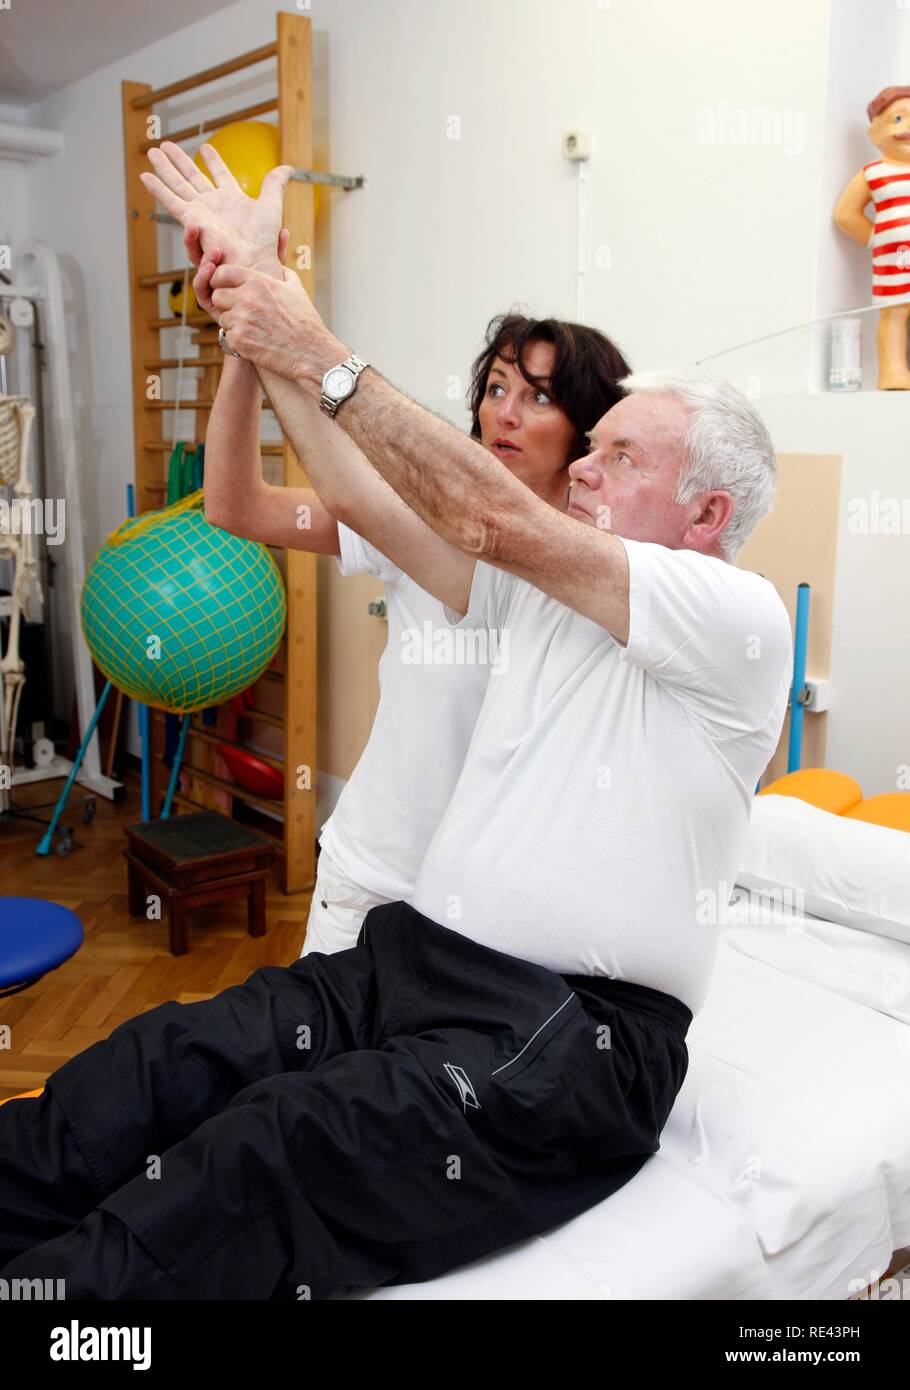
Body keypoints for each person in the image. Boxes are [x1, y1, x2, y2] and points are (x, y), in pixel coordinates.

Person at [0, 144, 791, 1300]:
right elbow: (355, 489)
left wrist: (301, 334)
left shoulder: (736, 616)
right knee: (156, 1064)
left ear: (704, 511)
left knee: (257, 1157)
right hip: (411, 959)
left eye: (616, 455)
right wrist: (255, 302)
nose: (579, 471)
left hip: (570, 1037)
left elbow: (479, 512)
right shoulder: (527, 588)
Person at [201, 271, 630, 956]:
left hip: (490, 914)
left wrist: (279, 335)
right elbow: (235, 506)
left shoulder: (598, 571)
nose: (506, 414)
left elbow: (355, 493)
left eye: (539, 397)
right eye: (495, 389)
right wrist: (241, 345)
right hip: (368, 879)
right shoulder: (418, 523)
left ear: (587, 428)